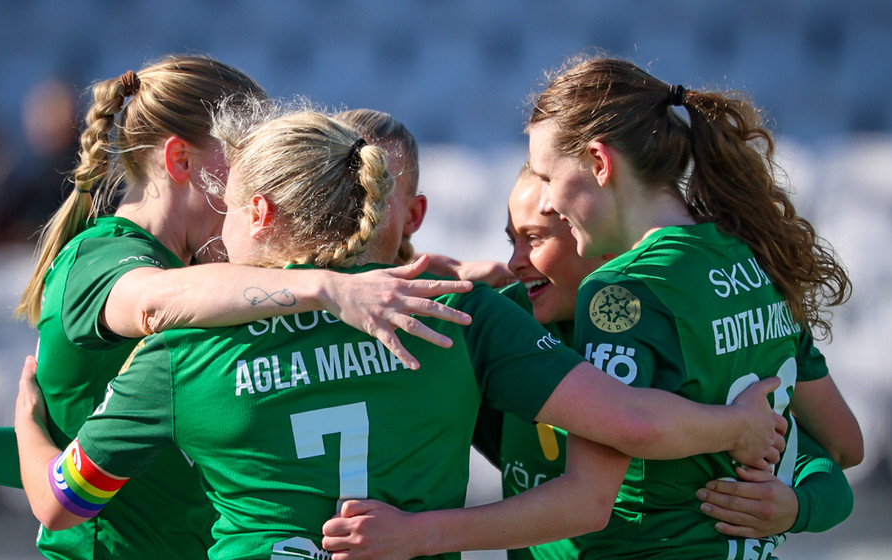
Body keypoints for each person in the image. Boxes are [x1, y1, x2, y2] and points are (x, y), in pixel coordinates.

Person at [16, 103, 785, 560]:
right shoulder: (459, 311)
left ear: (260, 212)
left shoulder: (181, 351)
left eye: (230, 209)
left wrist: (27, 423)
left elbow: (62, 504)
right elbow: (628, 427)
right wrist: (736, 424)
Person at [9, 55, 473, 560]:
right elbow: (153, 304)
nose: (256, 177)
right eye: (239, 154)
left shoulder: (202, 268)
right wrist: (326, 286)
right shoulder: (101, 256)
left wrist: (421, 272)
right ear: (180, 160)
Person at [321, 163, 854, 559]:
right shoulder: (503, 325)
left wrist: (796, 507)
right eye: (511, 241)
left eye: (534, 239)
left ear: (591, 234)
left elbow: (825, 458)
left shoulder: (667, 328)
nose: (515, 261)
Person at [519, 53, 857, 558]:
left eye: (547, 177)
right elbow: (845, 445)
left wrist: (422, 533)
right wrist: (798, 506)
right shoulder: (760, 259)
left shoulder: (622, 288)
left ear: (599, 162)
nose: (546, 202)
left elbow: (588, 498)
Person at [335, 108, 515, 288]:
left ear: (413, 215)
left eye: (376, 196)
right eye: (336, 192)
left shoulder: (462, 302)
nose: (349, 212)